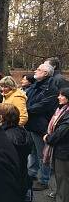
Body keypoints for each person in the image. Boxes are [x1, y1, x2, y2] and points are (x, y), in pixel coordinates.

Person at [0, 103, 33, 202]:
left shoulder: (3, 137)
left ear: (1, 118)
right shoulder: (23, 132)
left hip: (7, 184)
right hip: (22, 178)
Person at [26, 63, 58, 191]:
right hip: (31, 124)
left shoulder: (50, 88)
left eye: (39, 69)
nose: (36, 70)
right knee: (32, 151)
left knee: (42, 154)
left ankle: (44, 180)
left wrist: (26, 109)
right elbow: (26, 98)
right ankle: (32, 173)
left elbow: (44, 105)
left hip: (41, 125)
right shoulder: (35, 85)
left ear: (45, 73)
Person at [43, 88, 69, 202]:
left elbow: (61, 132)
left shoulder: (67, 113)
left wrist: (48, 138)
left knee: (62, 175)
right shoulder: (62, 109)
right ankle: (59, 193)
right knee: (59, 174)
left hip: (64, 149)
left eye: (62, 95)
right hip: (59, 147)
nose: (59, 97)